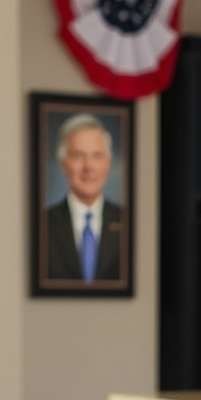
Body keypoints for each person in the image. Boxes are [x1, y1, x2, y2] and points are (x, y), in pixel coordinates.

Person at [44, 114, 124, 282]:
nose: (88, 166)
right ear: (63, 163)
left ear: (108, 164)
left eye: (97, 156)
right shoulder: (42, 225)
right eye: (78, 156)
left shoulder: (129, 222)